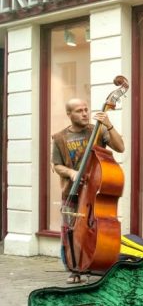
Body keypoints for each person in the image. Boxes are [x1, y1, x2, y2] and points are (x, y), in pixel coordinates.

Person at [51, 98, 125, 284]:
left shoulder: (97, 130)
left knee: (96, 231)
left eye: (86, 109)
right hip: (72, 192)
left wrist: (108, 125)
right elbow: (57, 165)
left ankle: (98, 263)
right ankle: (74, 269)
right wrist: (71, 172)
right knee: (71, 232)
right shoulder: (59, 138)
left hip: (93, 193)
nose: (84, 113)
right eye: (78, 111)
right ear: (69, 114)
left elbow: (120, 147)